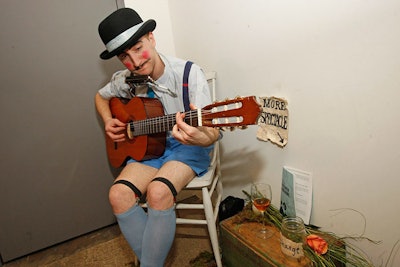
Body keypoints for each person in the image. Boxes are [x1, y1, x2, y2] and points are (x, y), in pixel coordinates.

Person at [95, 8, 220, 267]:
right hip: (150, 148)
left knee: (158, 191)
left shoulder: (188, 74)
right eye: (124, 57)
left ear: (151, 37)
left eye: (138, 48)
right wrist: (109, 121)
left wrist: (201, 138)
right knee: (118, 195)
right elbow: (100, 96)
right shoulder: (126, 80)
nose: (136, 62)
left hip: (186, 146)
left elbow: (213, 132)